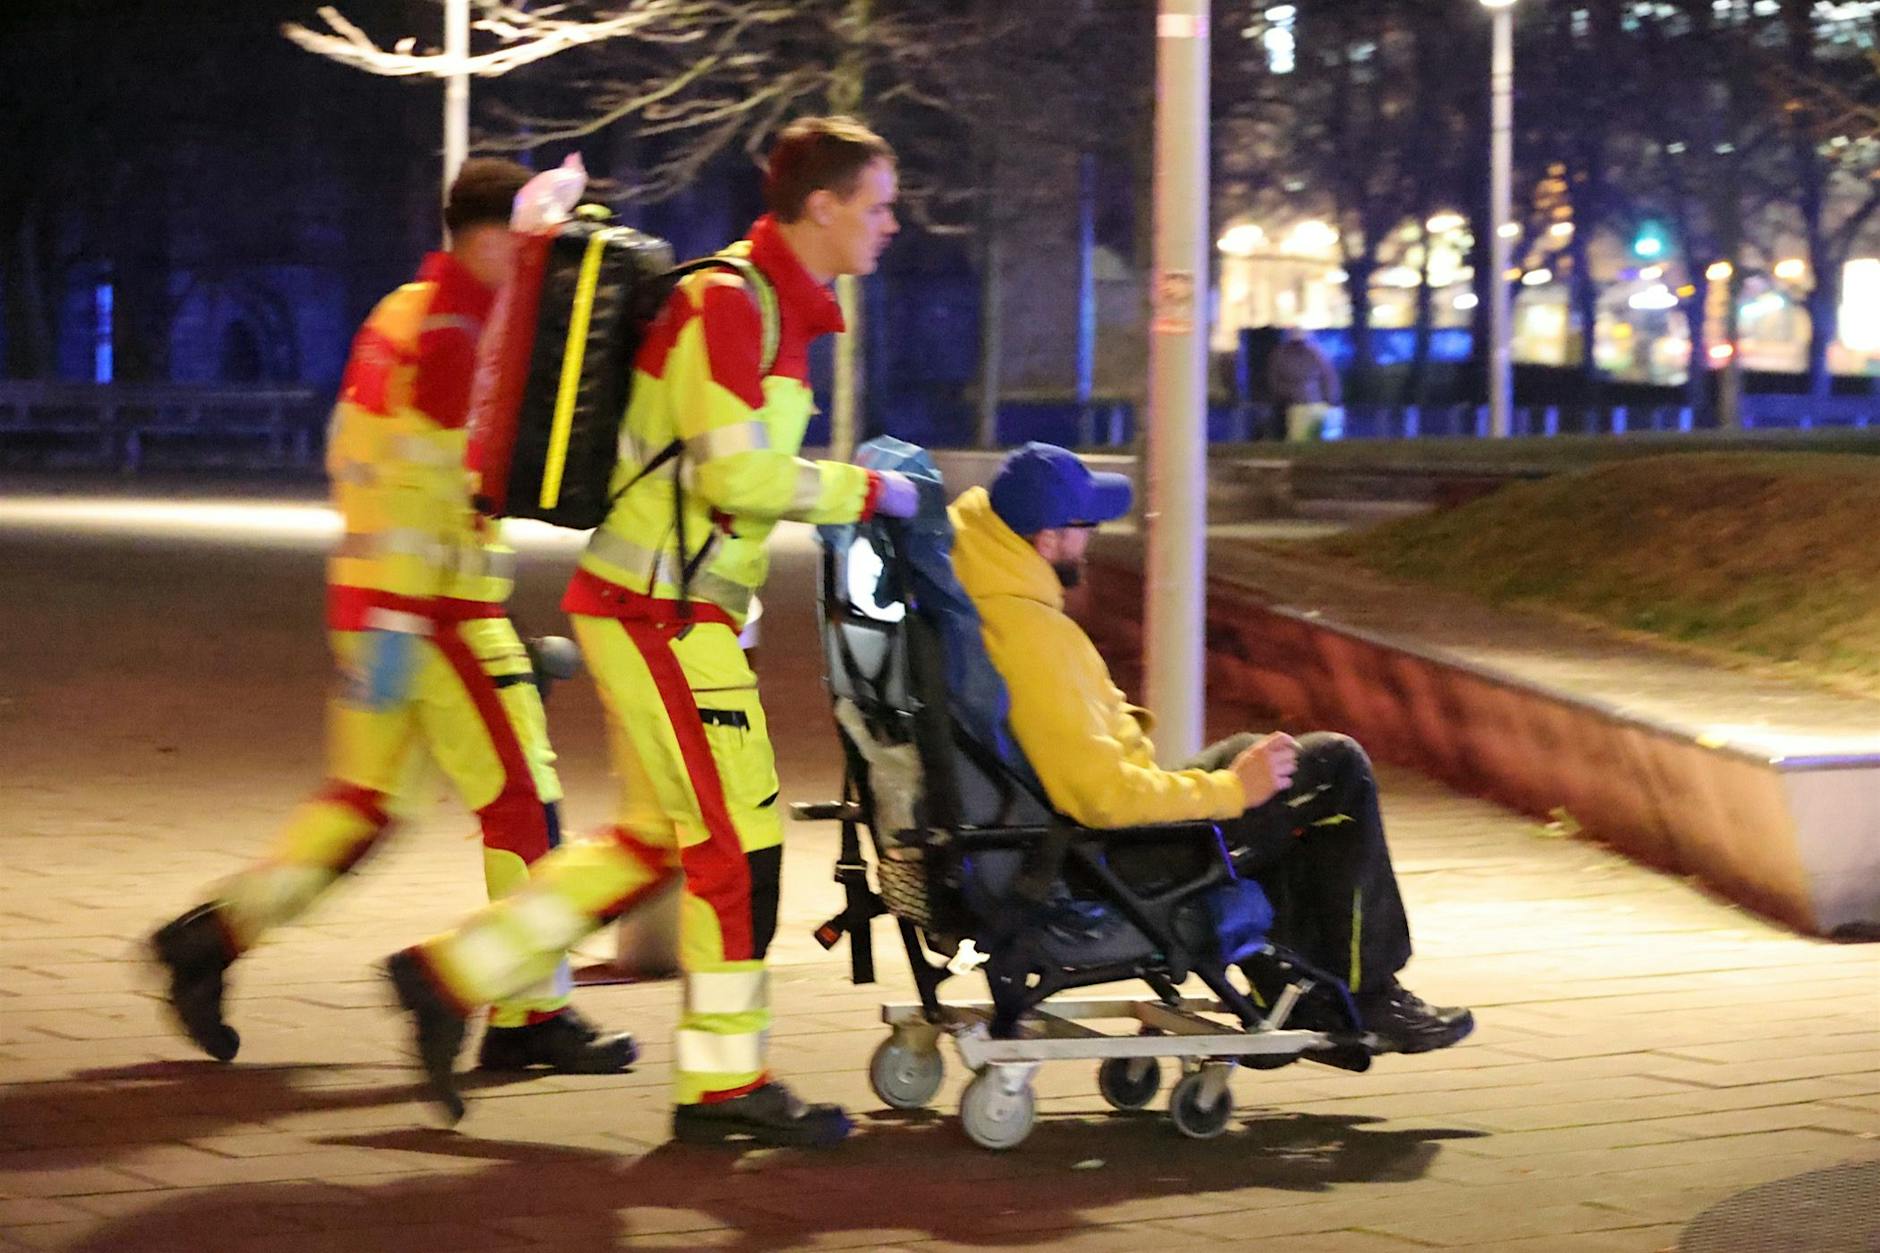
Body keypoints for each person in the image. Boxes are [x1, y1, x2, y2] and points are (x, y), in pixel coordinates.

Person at [384, 117, 922, 1146]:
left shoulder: (766, 306)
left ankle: (450, 975)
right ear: (822, 206)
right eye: (879, 203)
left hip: (676, 609)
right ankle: (721, 1088)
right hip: (660, 615)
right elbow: (733, 474)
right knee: (733, 847)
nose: (892, 224)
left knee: (655, 839)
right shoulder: (730, 302)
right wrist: (873, 491)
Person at [149, 159, 636, 1078]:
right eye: (530, 245)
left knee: (363, 806)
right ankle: (529, 1011)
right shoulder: (457, 329)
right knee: (525, 808)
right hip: (439, 611)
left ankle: (209, 938)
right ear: (490, 239)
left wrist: (386, 624)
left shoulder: (399, 314)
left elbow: (370, 456)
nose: (541, 264)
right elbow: (440, 476)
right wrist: (415, 623)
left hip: (375, 602)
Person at [946, 442, 1474, 1054]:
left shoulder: (984, 594)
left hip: (1070, 835)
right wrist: (1230, 791)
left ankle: (1299, 979)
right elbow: (1101, 797)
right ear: (1046, 540)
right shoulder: (1028, 634)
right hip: (1099, 858)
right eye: (1084, 527)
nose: (1091, 539)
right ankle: (1369, 991)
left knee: (1266, 756)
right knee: (1334, 770)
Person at [1267, 327, 1341, 442]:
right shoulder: (1281, 356)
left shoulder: (1316, 355)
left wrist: (1331, 399)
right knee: (1299, 438)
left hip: (1316, 404)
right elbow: (1275, 381)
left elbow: (1328, 378)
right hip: (1296, 405)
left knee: (1318, 438)